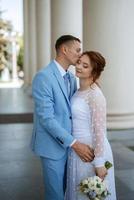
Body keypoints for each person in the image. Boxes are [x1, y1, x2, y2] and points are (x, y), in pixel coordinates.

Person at [31, 35, 94, 200]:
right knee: (55, 195)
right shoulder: (43, 77)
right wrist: (75, 143)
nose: (80, 55)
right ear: (64, 50)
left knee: (69, 192)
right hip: (52, 147)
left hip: (71, 147)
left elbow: (72, 112)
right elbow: (46, 118)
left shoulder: (72, 78)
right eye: (77, 50)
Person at [65, 51, 116, 200]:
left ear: (94, 71)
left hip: (91, 151)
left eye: (85, 66)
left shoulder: (95, 95)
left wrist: (99, 163)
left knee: (89, 195)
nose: (79, 66)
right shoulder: (78, 90)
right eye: (79, 62)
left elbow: (99, 131)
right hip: (77, 148)